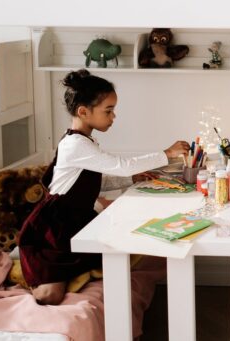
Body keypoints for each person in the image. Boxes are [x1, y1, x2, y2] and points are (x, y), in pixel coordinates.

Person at [18, 69, 189, 305]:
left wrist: (131, 179)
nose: (113, 116)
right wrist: (167, 154)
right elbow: (121, 165)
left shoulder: (86, 141)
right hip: (53, 228)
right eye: (108, 111)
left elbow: (95, 180)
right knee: (50, 295)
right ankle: (30, 274)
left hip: (75, 220)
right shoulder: (75, 145)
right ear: (83, 112)